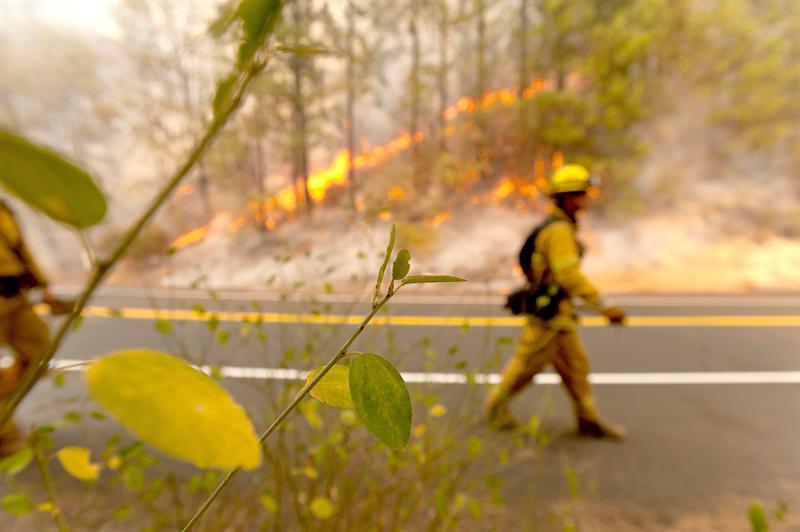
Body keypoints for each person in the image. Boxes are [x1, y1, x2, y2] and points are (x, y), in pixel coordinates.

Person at [485, 164, 628, 440]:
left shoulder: (558, 226)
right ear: (569, 197)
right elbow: (569, 275)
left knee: (577, 366)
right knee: (525, 367)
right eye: (583, 194)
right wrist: (605, 305)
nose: (587, 200)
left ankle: (588, 418)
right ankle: (494, 409)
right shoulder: (560, 231)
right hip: (549, 317)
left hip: (559, 314)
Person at [0, 199, 69, 455]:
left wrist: (42, 285)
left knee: (39, 352)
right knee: (10, 450)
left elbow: (19, 247)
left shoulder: (3, 207)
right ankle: (4, 438)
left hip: (13, 294)